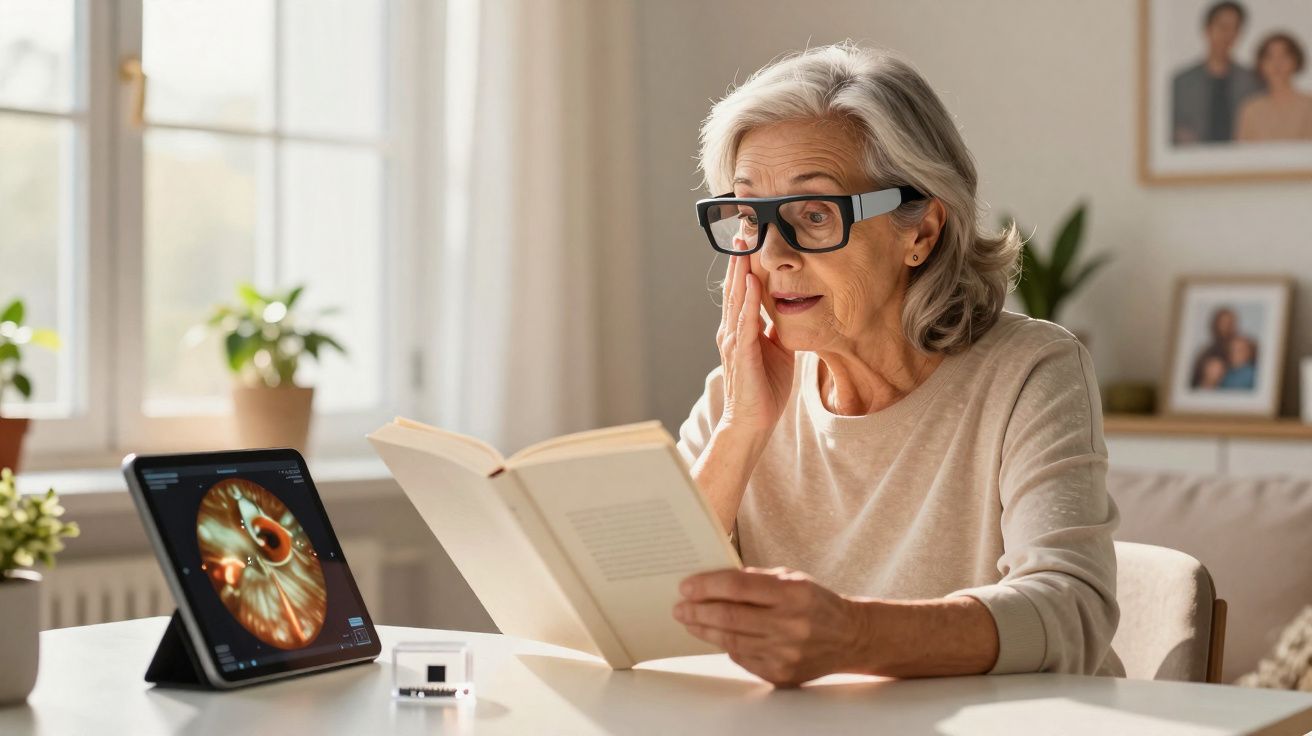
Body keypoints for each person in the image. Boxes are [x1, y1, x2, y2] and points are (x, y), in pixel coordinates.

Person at [672, 42, 1124, 687]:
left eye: (815, 213)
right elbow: (649, 616)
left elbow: (1070, 610)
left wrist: (852, 636)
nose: (772, 255)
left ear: (921, 231)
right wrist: (742, 428)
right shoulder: (738, 396)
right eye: (749, 214)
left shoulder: (1032, 372)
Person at [1171, 1, 1262, 145]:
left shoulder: (1253, 81)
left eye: (1235, 28)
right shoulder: (1181, 83)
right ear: (1207, 29)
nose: (1229, 34)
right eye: (1223, 27)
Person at [1236, 32, 1312, 142]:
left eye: (1284, 56)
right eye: (1270, 57)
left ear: (1296, 61)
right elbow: (1241, 153)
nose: (1277, 63)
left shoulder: (1309, 104)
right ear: (1261, 64)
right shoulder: (1250, 110)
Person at [1191, 307, 1239, 389]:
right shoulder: (1206, 352)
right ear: (1216, 324)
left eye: (1230, 323)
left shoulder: (1241, 348)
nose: (1227, 327)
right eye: (1223, 323)